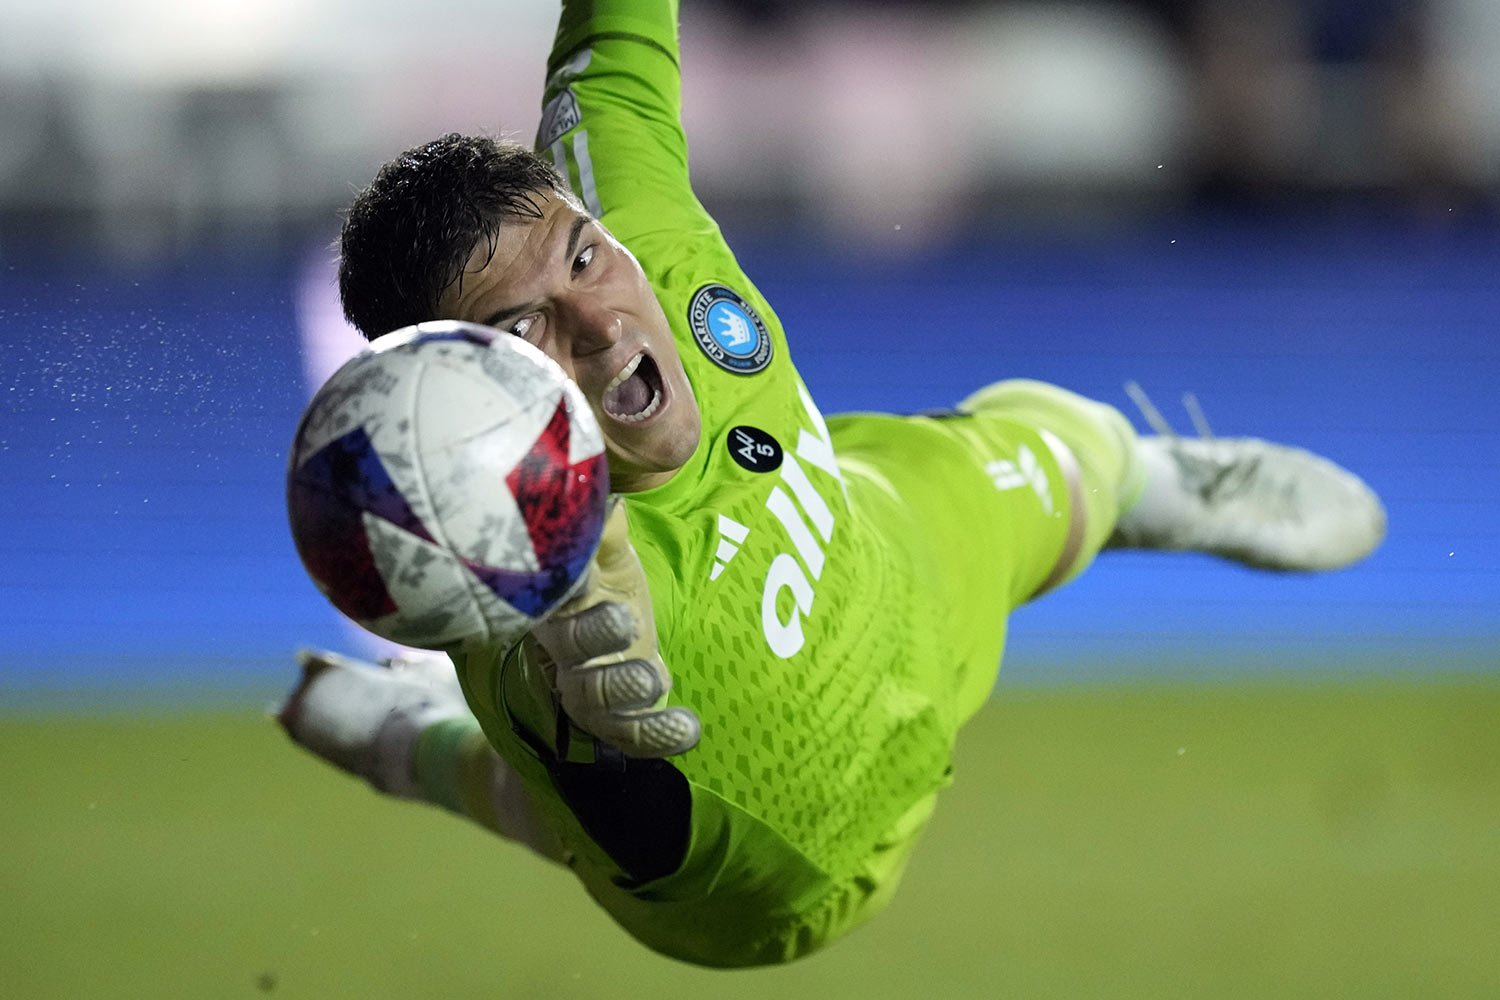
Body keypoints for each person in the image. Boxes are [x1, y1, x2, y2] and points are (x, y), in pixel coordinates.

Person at [279, 0, 1386, 969]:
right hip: (782, 885)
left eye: (582, 257)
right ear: (462, 385)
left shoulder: (632, 209)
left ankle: (1162, 482)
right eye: (524, 331)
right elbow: (605, 720)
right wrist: (577, 663)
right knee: (560, 807)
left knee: (1065, 438)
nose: (602, 322)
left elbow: (616, 36)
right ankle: (413, 745)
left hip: (894, 561)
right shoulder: (541, 597)